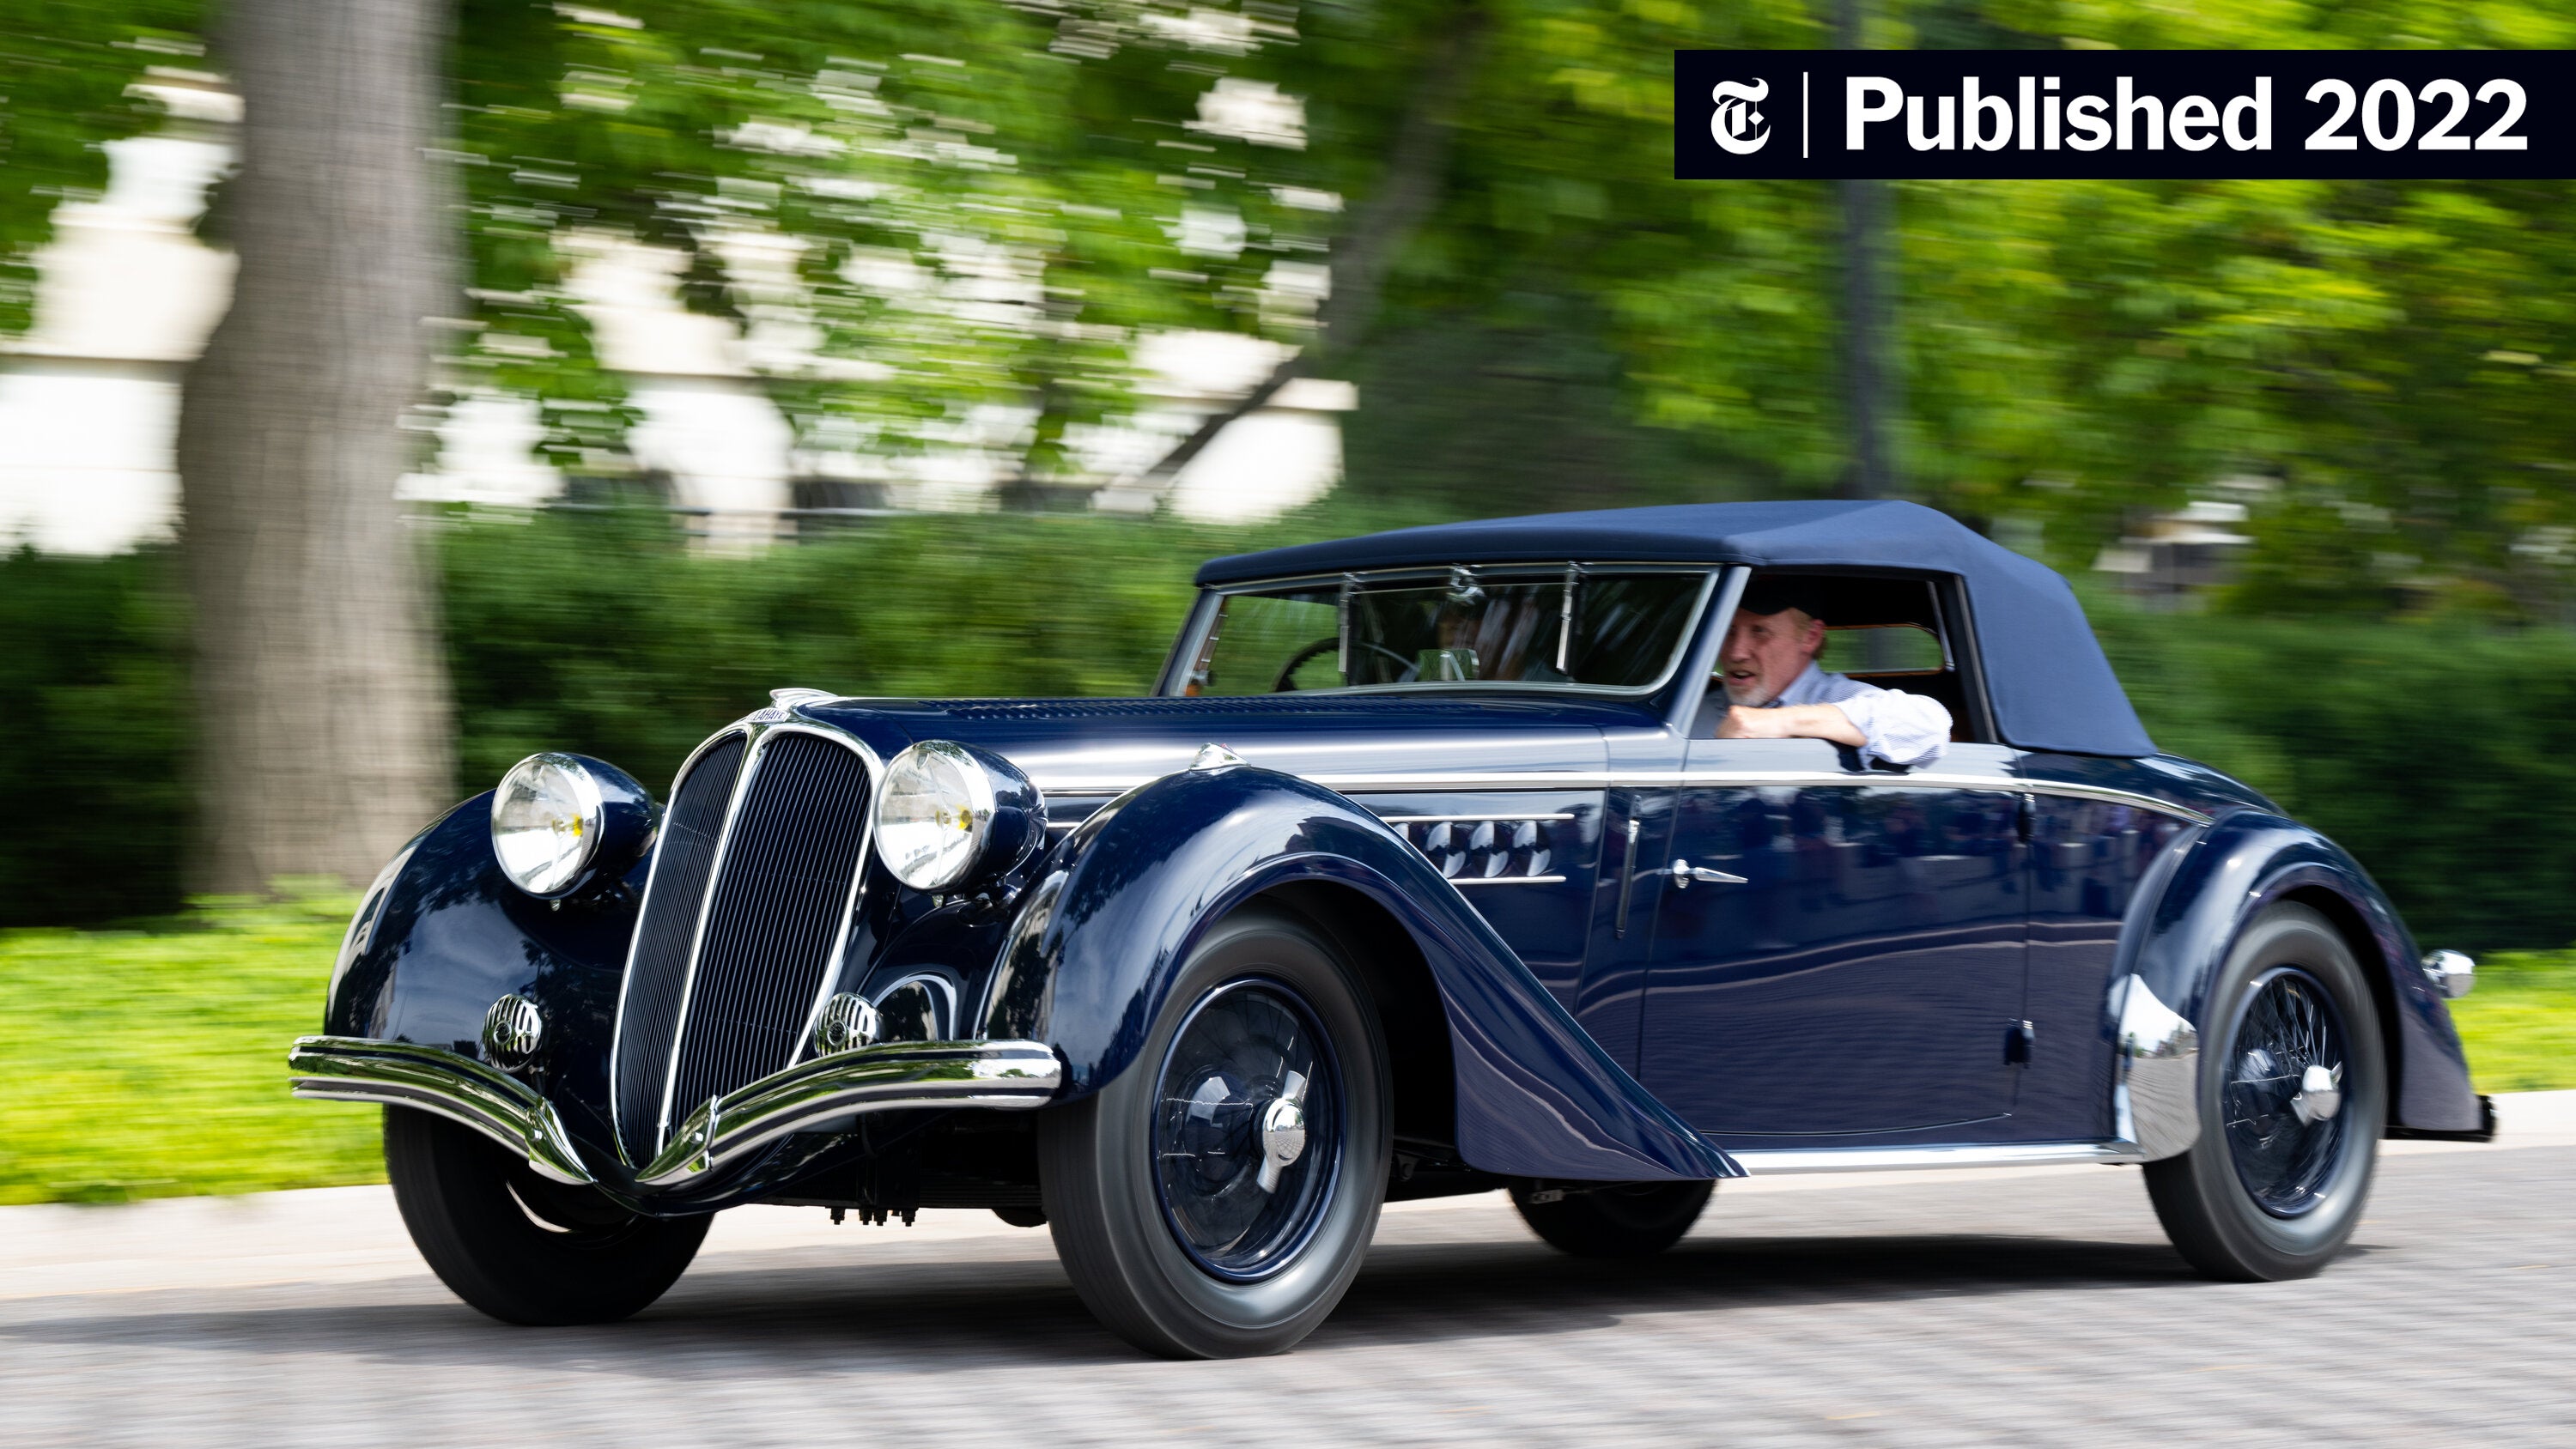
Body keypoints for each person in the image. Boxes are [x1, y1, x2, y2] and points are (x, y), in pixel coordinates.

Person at [1710, 578, 1951, 768]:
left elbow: (1930, 728)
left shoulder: (1839, 697)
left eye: (1759, 631)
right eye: (1728, 630)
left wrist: (1781, 721)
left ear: (1810, 637)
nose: (1736, 652)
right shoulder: (1689, 707)